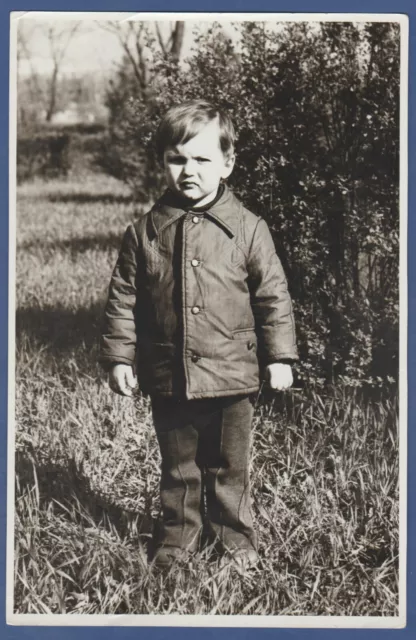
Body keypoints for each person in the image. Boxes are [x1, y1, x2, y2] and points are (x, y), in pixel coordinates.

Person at [100, 100, 298, 569]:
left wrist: (280, 357)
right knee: (179, 468)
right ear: (163, 162)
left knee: (230, 468)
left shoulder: (248, 229)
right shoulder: (144, 232)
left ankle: (235, 539)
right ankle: (176, 540)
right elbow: (123, 300)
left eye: (203, 159)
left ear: (228, 162)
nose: (189, 171)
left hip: (235, 377)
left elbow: (273, 296)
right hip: (171, 375)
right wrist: (120, 358)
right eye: (177, 158)